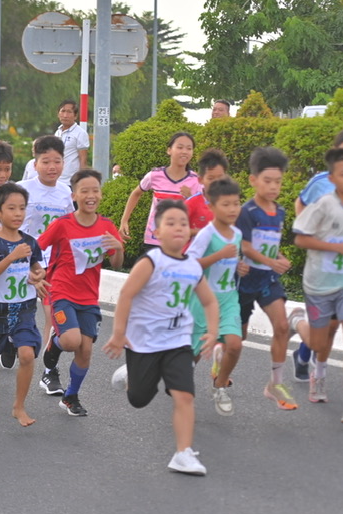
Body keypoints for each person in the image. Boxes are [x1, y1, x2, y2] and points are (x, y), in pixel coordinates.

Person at [104, 199, 219, 475]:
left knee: (184, 395)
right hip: (144, 342)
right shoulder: (150, 262)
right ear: (157, 231)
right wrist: (119, 334)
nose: (178, 228)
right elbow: (126, 295)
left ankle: (183, 453)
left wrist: (213, 332)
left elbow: (209, 302)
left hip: (178, 342)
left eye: (183, 223)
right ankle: (132, 376)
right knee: (139, 398)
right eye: (171, 223)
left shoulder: (192, 265)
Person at [290, 147, 343, 425]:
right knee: (318, 342)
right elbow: (300, 239)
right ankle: (298, 323)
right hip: (320, 284)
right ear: (332, 177)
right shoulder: (324, 204)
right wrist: (334, 247)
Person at [37, 169, 123, 417]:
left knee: (85, 351)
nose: (90, 195)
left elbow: (116, 263)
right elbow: (37, 247)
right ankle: (54, 345)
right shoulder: (63, 225)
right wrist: (37, 275)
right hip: (61, 291)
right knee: (71, 341)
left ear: (101, 194)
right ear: (74, 196)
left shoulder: (107, 226)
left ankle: (71, 396)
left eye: (95, 190)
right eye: (84, 191)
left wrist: (117, 248)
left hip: (88, 298)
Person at [290, 129, 343, 380]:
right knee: (326, 323)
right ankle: (303, 351)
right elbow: (300, 202)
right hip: (321, 259)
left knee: (333, 323)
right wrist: (307, 228)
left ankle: (303, 356)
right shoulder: (321, 181)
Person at [0, 182, 47, 427]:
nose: (18, 214)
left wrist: (38, 276)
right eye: (11, 208)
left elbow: (37, 267)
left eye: (22, 208)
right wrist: (11, 257)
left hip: (23, 308)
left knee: (26, 354)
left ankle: (19, 406)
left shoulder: (29, 241)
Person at [236, 147, 298, 411]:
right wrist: (273, 261)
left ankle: (275, 382)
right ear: (253, 181)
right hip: (244, 280)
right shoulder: (247, 212)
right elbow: (247, 247)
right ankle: (219, 358)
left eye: (278, 182)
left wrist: (279, 258)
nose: (274, 187)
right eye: (268, 181)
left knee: (282, 326)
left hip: (268, 280)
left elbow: (269, 245)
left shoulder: (280, 212)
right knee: (238, 337)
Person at [186, 177, 245, 415]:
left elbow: (232, 260)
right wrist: (218, 255)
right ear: (211, 207)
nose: (232, 209)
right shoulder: (206, 235)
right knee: (195, 352)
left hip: (228, 298)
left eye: (236, 203)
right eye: (226, 204)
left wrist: (239, 265)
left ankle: (220, 385)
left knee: (235, 343)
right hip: (202, 301)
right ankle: (182, 384)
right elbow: (189, 265)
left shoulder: (237, 234)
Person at [20, 135, 74, 379]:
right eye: (45, 161)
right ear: (35, 163)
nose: (52, 167)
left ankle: (47, 366)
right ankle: (14, 343)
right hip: (25, 261)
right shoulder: (24, 190)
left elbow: (71, 228)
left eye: (57, 161)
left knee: (53, 314)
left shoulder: (66, 192)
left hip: (55, 264)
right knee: (21, 313)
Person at [119, 132, 201, 247]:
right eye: (180, 147)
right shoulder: (155, 175)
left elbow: (203, 210)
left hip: (181, 243)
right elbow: (136, 193)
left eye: (189, 148)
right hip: (155, 240)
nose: (184, 151)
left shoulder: (196, 180)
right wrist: (124, 220)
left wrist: (191, 197)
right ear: (169, 150)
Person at [186, 148, 230, 236]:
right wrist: (202, 232)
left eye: (220, 177)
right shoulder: (191, 203)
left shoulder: (231, 203)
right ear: (200, 180)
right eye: (211, 178)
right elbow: (176, 231)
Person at [53, 98, 90, 185]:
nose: (65, 115)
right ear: (58, 114)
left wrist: (81, 181)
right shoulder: (57, 132)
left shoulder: (80, 133)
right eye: (63, 111)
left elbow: (83, 160)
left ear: (75, 116)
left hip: (71, 181)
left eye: (69, 112)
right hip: (57, 180)